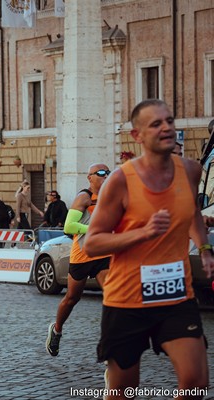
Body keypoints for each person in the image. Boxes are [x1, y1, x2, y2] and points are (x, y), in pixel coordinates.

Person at [84, 99, 212, 399]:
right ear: (137, 136)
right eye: (156, 124)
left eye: (169, 120)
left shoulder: (191, 170)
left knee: (196, 384)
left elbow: (191, 211)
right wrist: (143, 232)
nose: (166, 127)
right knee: (123, 392)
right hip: (127, 299)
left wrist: (204, 247)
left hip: (176, 294)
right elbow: (92, 242)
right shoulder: (120, 181)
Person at [46, 163, 111, 357]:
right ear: (90, 177)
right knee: (72, 298)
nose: (106, 175)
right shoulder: (84, 197)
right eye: (101, 173)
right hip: (82, 255)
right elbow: (69, 226)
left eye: (108, 172)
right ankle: (57, 329)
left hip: (103, 254)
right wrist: (94, 229)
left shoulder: (110, 196)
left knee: (112, 296)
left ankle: (111, 342)